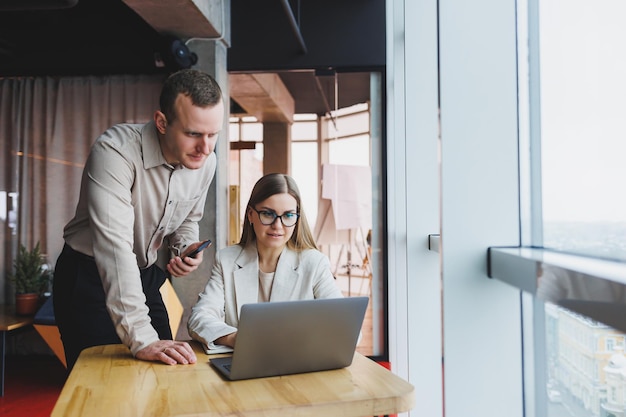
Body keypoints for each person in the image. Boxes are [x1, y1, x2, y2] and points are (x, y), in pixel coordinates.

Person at [53, 69, 225, 370]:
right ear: (161, 122)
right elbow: (115, 248)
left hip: (143, 277)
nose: (206, 148)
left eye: (213, 134)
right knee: (99, 388)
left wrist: (184, 247)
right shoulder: (115, 152)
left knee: (166, 375)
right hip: (88, 276)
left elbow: (187, 218)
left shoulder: (205, 160)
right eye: (193, 134)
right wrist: (142, 338)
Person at [188, 173, 343, 349]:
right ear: (250, 215)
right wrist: (236, 339)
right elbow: (200, 317)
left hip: (298, 362)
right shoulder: (227, 260)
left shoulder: (315, 263)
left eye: (288, 215)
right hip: (244, 361)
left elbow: (344, 326)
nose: (278, 225)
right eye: (268, 214)